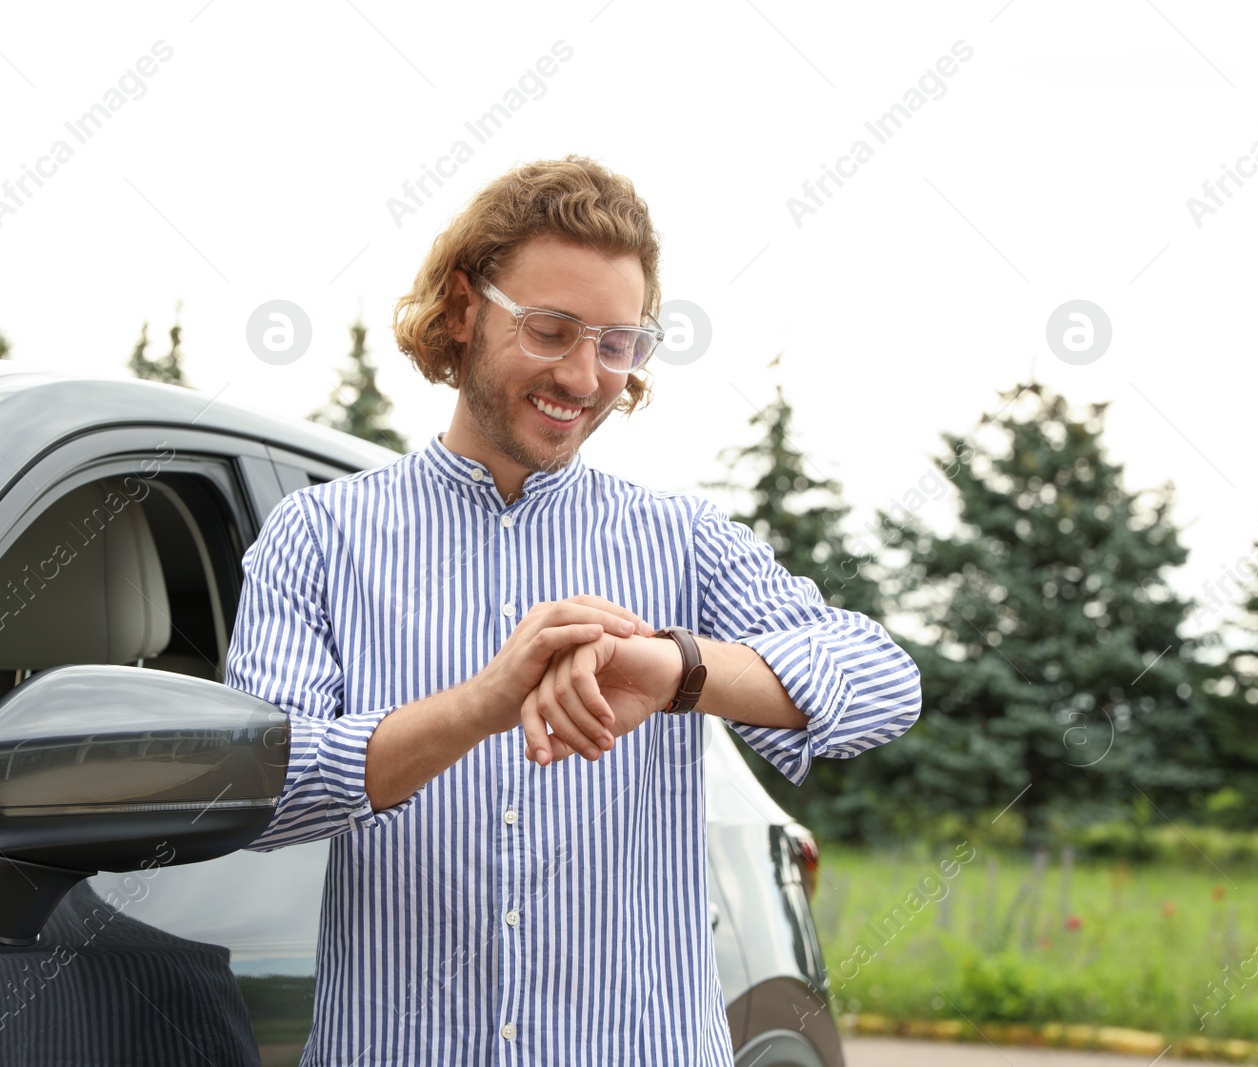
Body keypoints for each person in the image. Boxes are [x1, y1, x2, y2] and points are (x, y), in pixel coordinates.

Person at [224, 155, 921, 1066]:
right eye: (552, 330)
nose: (586, 376)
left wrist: (677, 669)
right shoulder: (316, 537)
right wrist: (483, 702)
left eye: (617, 343)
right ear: (468, 308)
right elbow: (264, 791)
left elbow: (884, 682)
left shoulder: (682, 539)